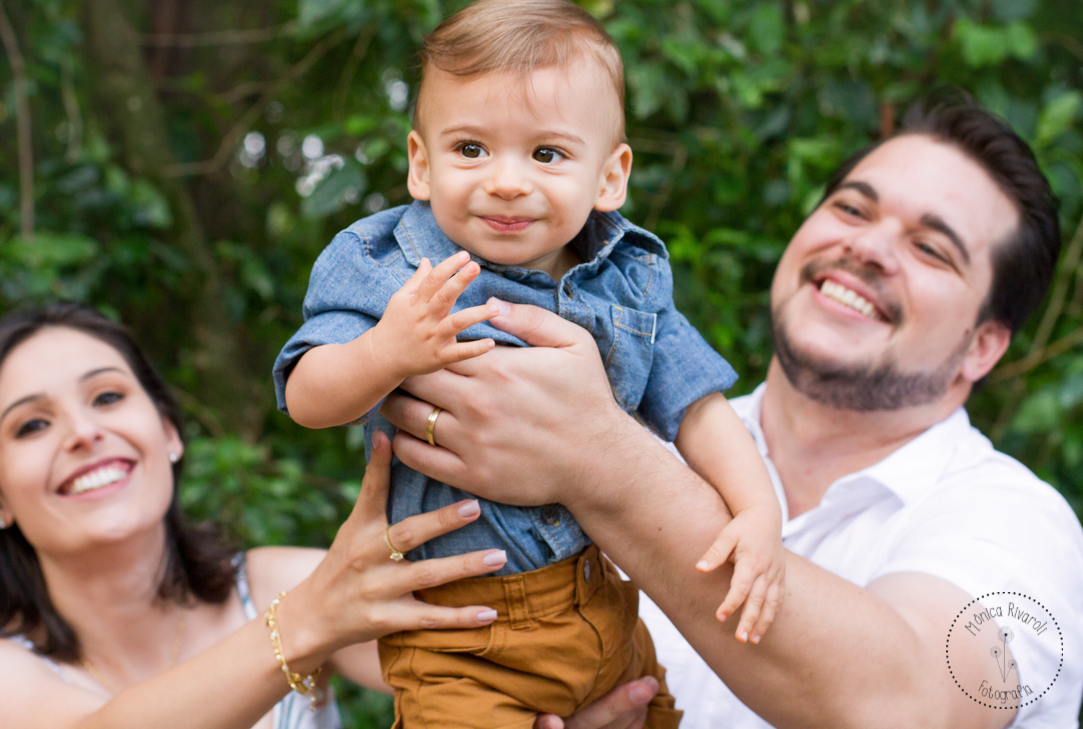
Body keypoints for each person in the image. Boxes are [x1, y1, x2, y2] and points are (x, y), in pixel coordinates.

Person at [380, 98, 1083, 728]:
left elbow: (913, 707)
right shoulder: (635, 425)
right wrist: (327, 607)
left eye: (930, 249)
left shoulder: (1020, 521)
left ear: (983, 347)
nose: (866, 247)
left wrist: (600, 461)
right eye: (852, 209)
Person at [274, 0, 784, 727]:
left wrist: (757, 507)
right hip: (459, 637)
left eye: (546, 154)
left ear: (609, 177)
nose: (506, 180)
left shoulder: (629, 277)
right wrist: (383, 351)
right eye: (471, 149)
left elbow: (695, 403)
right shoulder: (386, 266)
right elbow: (306, 394)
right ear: (421, 164)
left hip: (600, 605)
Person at [0, 303, 509, 729]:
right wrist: (309, 621)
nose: (84, 432)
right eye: (33, 425)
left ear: (168, 433)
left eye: (108, 397)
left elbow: (495, 665)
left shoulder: (278, 584)